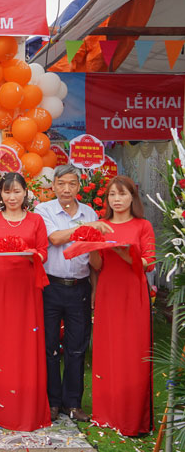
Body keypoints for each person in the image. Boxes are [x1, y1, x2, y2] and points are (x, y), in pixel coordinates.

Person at [35, 165, 112, 423]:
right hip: (51, 287)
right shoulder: (43, 210)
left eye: (72, 184)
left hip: (80, 286)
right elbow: (55, 239)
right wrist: (86, 229)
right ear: (53, 186)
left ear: (78, 186)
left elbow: (94, 256)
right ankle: (52, 401)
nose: (66, 189)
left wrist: (95, 288)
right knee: (49, 347)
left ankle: (73, 403)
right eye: (61, 183)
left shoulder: (88, 212)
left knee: (77, 347)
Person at [0, 172, 51, 431]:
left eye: (17, 191)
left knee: (27, 343)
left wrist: (29, 252)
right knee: (2, 343)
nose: (12, 197)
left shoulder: (36, 220)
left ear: (25, 193)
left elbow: (43, 253)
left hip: (28, 288)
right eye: (7, 191)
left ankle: (28, 406)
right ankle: (0, 407)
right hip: (2, 289)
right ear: (0, 194)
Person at [88, 175, 155, 436]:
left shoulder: (143, 226)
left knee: (133, 351)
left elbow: (149, 262)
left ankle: (133, 416)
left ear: (132, 198)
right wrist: (92, 246)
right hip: (108, 292)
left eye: (122, 194)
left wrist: (123, 252)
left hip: (133, 292)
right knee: (107, 350)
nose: (117, 199)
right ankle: (106, 414)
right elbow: (97, 265)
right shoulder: (101, 225)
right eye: (112, 195)